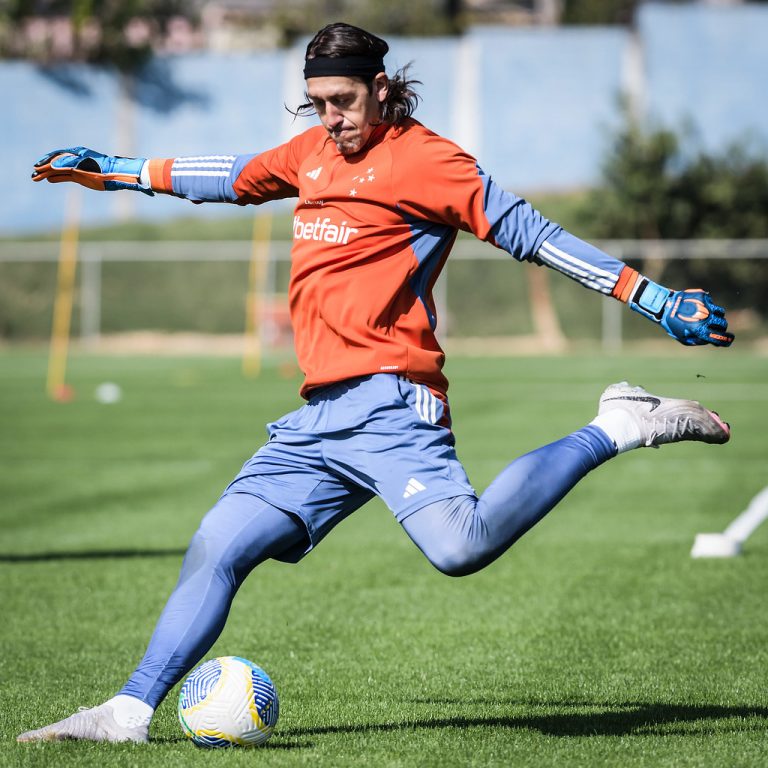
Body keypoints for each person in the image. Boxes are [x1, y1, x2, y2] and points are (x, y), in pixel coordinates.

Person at [18, 22, 734, 744]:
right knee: (218, 544)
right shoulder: (315, 151)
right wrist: (119, 169)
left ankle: (618, 424)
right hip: (317, 420)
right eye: (318, 103)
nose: (332, 118)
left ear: (382, 88)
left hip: (392, 401)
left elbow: (531, 233)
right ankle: (127, 714)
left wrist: (650, 296)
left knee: (462, 548)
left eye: (345, 100)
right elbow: (232, 177)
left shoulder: (430, 162)